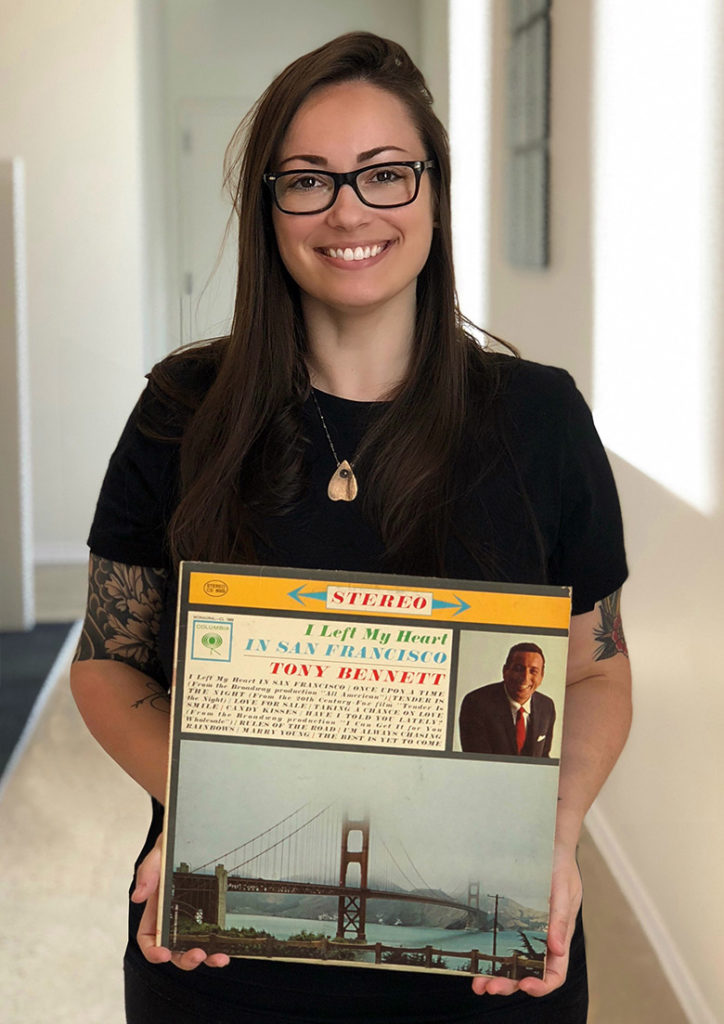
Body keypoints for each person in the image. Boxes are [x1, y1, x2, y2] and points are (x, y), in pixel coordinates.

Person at [70, 31, 632, 1024]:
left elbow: (592, 671)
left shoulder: (540, 420)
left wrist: (551, 830)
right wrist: (217, 809)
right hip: (228, 949)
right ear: (267, 206)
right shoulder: (180, 411)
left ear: (433, 192)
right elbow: (108, 665)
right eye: (308, 181)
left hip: (482, 953)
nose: (347, 212)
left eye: (384, 175)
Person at [459, 642, 556, 757]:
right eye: (519, 669)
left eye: (533, 671)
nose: (525, 677)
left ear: (541, 676)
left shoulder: (546, 706)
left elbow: (544, 758)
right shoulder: (475, 704)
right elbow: (478, 763)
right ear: (505, 671)